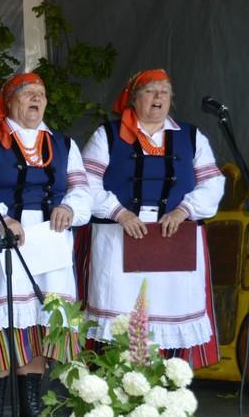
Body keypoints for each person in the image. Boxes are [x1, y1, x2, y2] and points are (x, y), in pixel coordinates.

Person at [0, 73, 90, 417]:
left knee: (38, 323)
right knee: (5, 321)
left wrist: (70, 208)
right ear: (10, 101)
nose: (36, 100)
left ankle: (29, 409)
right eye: (28, 94)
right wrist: (0, 220)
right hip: (3, 239)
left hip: (49, 239)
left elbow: (82, 190)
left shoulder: (62, 144)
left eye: (41, 95)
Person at [82, 69, 224, 368]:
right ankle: (117, 395)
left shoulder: (191, 136)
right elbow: (85, 185)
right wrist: (119, 212)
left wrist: (183, 210)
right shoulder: (106, 135)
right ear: (134, 99)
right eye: (150, 90)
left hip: (175, 240)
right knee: (121, 321)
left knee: (172, 316)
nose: (159, 96)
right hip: (119, 240)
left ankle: (166, 396)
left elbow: (213, 184)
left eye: (165, 91)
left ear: (172, 100)